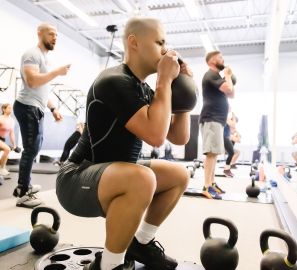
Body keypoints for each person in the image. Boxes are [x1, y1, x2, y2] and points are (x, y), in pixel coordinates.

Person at [56, 17, 192, 270]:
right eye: (160, 42)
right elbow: (156, 136)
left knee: (178, 174)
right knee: (143, 178)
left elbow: (179, 137)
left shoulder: (144, 90)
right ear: (134, 42)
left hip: (114, 174)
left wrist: (182, 94)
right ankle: (109, 265)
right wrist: (164, 81)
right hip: (75, 179)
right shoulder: (114, 81)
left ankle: (141, 243)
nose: (165, 50)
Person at [13, 23, 70, 208]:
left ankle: (24, 184)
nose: (55, 38)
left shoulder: (45, 59)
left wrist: (53, 109)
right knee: (31, 149)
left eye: (56, 35)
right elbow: (32, 81)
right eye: (51, 34)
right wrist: (57, 73)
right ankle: (23, 191)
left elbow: (44, 88)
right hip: (27, 106)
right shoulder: (32, 54)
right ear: (40, 34)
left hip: (36, 107)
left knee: (34, 148)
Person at [199, 50, 235, 199]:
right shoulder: (210, 75)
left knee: (214, 154)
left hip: (217, 120)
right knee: (211, 153)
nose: (223, 60)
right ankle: (206, 186)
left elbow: (232, 94)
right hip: (211, 118)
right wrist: (227, 75)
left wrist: (229, 77)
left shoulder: (217, 77)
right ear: (211, 61)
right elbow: (229, 88)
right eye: (220, 57)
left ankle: (212, 183)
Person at [0, 103, 17, 176]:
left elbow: (11, 133)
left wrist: (14, 145)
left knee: (7, 151)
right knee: (7, 149)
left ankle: (2, 168)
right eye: (9, 108)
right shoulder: (0, 118)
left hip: (2, 139)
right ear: (4, 109)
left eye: (11, 108)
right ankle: (1, 169)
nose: (11, 109)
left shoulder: (12, 120)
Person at [223, 111, 240, 176]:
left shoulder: (230, 130)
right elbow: (233, 124)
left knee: (233, 152)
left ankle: (227, 169)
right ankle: (227, 169)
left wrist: (236, 132)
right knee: (232, 152)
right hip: (224, 137)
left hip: (225, 137)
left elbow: (239, 140)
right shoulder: (226, 117)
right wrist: (233, 115)